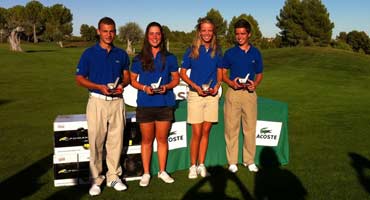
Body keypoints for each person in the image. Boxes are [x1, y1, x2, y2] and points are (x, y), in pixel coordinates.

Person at [75, 17, 130, 196]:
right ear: (98, 31)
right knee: (97, 142)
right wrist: (99, 86)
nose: (109, 34)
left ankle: (113, 176)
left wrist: (123, 85)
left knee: (116, 141)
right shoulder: (89, 53)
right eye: (105, 31)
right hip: (97, 100)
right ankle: (96, 180)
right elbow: (79, 79)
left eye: (112, 31)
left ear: (115, 32)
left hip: (117, 101)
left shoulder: (121, 54)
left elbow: (127, 76)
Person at [130, 22, 180, 187]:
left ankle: (162, 171)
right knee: (146, 140)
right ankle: (145, 173)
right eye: (151, 33)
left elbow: (176, 79)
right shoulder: (138, 58)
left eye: (157, 33)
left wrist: (166, 87)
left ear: (162, 36)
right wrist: (144, 87)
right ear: (147, 36)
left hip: (164, 103)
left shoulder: (170, 57)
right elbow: (132, 80)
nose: (155, 36)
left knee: (162, 139)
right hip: (145, 104)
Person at [179, 18, 222, 179]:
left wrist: (217, 85)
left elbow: (220, 71)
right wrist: (195, 86)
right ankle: (192, 166)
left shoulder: (217, 50)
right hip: (195, 95)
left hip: (211, 96)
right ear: (199, 31)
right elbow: (183, 73)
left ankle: (201, 164)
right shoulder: (191, 50)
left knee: (206, 132)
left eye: (210, 30)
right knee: (196, 132)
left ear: (213, 32)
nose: (207, 33)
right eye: (204, 30)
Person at [222, 19, 264, 173]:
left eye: (242, 34)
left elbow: (259, 73)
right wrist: (230, 83)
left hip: (250, 94)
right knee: (231, 128)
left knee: (250, 128)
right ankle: (232, 161)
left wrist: (255, 84)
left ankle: (249, 160)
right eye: (237, 34)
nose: (239, 37)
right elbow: (222, 73)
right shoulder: (230, 53)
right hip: (233, 93)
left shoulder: (256, 52)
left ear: (249, 34)